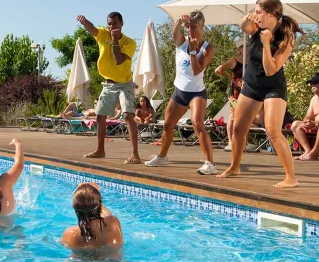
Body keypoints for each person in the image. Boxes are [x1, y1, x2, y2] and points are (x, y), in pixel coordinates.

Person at [218, 0, 303, 188]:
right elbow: (242, 24)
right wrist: (247, 16)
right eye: (255, 11)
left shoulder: (285, 38)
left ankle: (291, 177)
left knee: (273, 130)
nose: (256, 15)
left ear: (271, 14)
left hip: (273, 87)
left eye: (259, 11)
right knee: (239, 128)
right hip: (252, 85)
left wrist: (266, 44)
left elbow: (271, 69)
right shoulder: (255, 28)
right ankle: (234, 167)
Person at [145, 11, 217, 174]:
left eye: (194, 27)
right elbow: (174, 32)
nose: (191, 30)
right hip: (180, 91)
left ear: (202, 27)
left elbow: (197, 70)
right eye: (189, 27)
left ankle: (211, 164)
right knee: (168, 124)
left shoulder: (208, 47)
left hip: (197, 92)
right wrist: (178, 21)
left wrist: (192, 52)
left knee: (198, 124)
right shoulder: (181, 43)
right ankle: (162, 157)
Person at [76, 13, 139, 162]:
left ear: (122, 24)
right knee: (100, 116)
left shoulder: (130, 43)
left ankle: (135, 155)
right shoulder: (103, 34)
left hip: (125, 84)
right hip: (108, 83)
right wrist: (85, 22)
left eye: (115, 23)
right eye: (109, 24)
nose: (112, 27)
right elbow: (93, 30)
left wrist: (115, 41)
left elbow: (118, 60)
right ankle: (100, 150)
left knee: (128, 116)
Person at [61, 183, 123, 258]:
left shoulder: (70, 233)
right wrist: (93, 195)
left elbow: (64, 245)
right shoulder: (113, 222)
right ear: (99, 204)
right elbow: (106, 215)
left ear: (75, 209)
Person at [215, 39, 245, 151]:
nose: (248, 49)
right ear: (240, 49)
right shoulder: (234, 60)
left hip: (248, 91)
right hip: (236, 92)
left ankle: (244, 142)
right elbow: (218, 70)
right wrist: (231, 78)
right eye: (245, 47)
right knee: (233, 116)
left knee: (246, 116)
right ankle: (230, 141)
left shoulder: (251, 61)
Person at [292, 73, 319, 161]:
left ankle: (314, 154)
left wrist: (314, 123)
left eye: (315, 83)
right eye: (311, 83)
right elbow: (308, 115)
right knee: (296, 124)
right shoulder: (314, 99)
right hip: (315, 124)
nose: (312, 85)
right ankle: (308, 151)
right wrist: (307, 121)